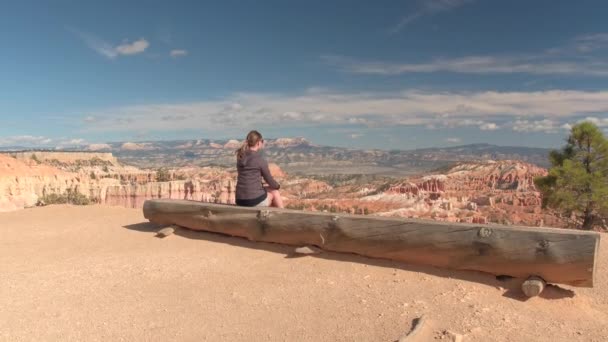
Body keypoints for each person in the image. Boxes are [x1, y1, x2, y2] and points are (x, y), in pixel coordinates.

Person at [235, 130, 284, 208]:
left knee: (266, 190)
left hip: (239, 200)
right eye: (262, 141)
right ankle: (283, 217)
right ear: (258, 142)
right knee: (274, 192)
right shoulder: (259, 160)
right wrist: (277, 186)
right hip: (252, 201)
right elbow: (269, 180)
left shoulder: (240, 157)